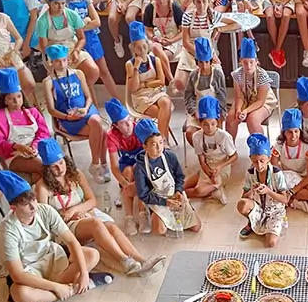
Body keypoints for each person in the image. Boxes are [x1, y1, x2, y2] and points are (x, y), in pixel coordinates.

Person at [36, 138, 165, 278]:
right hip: (64, 227)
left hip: (84, 215)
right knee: (96, 223)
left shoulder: (76, 174)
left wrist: (75, 210)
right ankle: (125, 260)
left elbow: (92, 201)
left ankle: (141, 260)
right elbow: (44, 220)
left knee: (111, 227)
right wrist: (67, 215)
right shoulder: (42, 187)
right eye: (54, 167)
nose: (60, 169)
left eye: (61, 163)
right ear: (47, 169)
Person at [0, 170, 113, 302]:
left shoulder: (44, 210)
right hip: (30, 270)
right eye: (25, 204)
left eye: (33, 200)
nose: (33, 207)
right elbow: (18, 275)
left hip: (52, 256)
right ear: (13, 208)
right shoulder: (7, 230)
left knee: (92, 255)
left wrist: (83, 273)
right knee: (20, 293)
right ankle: (77, 286)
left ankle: (42, 300)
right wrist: (57, 288)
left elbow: (71, 241)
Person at [43, 44, 109, 185]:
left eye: (64, 60)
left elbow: (88, 97)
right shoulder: (48, 82)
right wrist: (67, 117)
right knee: (101, 130)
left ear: (68, 60)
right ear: (52, 63)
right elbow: (51, 110)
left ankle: (96, 164)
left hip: (85, 111)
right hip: (67, 118)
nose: (61, 64)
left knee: (97, 122)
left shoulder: (78, 74)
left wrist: (85, 109)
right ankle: (100, 165)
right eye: (57, 61)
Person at [134, 119, 201, 236]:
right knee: (160, 231)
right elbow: (143, 194)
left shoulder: (169, 156)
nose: (159, 148)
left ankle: (175, 216)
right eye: (154, 145)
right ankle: (151, 214)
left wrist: (179, 191)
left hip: (174, 194)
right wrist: (165, 202)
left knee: (196, 227)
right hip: (157, 200)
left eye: (161, 142)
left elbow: (179, 176)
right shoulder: (140, 167)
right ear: (144, 146)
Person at [61, 0, 118, 99]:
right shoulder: (62, 2)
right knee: (86, 74)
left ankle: (118, 102)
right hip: (75, 42)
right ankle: (92, 107)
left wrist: (81, 26)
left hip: (92, 38)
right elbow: (68, 27)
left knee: (104, 71)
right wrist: (83, 24)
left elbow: (97, 21)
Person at [0, 68, 50, 182]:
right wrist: (17, 146)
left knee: (58, 166)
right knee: (46, 168)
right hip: (14, 155)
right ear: (4, 100)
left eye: (18, 96)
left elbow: (44, 132)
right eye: (11, 99)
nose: (17, 102)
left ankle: (42, 189)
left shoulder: (32, 112)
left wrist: (35, 146)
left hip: (37, 150)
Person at [37, 0, 100, 90]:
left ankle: (79, 92)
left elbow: (81, 38)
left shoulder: (72, 15)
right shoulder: (42, 21)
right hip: (53, 53)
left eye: (63, 3)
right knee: (61, 83)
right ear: (49, 3)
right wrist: (59, 57)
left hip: (72, 48)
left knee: (93, 71)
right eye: (56, 3)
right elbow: (44, 47)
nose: (60, 7)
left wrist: (76, 51)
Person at [173, 0, 234, 92]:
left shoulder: (213, 15)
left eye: (204, 1)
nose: (201, 5)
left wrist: (220, 28)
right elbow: (186, 43)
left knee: (213, 81)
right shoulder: (187, 16)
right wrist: (199, 55)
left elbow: (234, 23)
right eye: (198, 2)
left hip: (207, 52)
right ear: (194, 2)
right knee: (179, 83)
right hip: (191, 51)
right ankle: (191, 101)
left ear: (209, 0)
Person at [105, 98, 149, 237]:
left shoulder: (139, 128)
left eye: (129, 119)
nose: (129, 124)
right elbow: (114, 165)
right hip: (126, 166)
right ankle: (129, 218)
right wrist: (126, 184)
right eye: (123, 123)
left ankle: (142, 213)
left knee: (137, 169)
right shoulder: (111, 136)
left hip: (142, 164)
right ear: (116, 126)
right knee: (129, 171)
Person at [184, 95, 237, 205]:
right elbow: (201, 160)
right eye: (205, 124)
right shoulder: (196, 136)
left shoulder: (224, 136)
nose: (210, 128)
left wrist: (219, 167)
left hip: (221, 169)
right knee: (180, 187)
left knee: (198, 191)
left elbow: (234, 156)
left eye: (213, 124)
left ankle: (214, 190)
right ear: (199, 123)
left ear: (217, 121)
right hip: (207, 168)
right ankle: (213, 191)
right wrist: (207, 171)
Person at [237, 133, 288, 247]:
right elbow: (244, 197)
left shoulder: (276, 173)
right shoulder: (250, 173)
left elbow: (285, 199)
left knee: (270, 243)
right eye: (255, 161)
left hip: (275, 211)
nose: (259, 165)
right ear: (250, 159)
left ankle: (270, 225)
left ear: (269, 158)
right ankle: (251, 222)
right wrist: (251, 190)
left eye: (262, 160)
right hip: (259, 207)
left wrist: (268, 191)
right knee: (242, 204)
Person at [125, 21, 172, 140]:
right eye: (139, 48)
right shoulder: (130, 65)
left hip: (156, 92)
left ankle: (161, 139)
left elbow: (161, 81)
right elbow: (134, 88)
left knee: (166, 103)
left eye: (144, 46)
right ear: (133, 48)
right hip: (140, 97)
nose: (142, 50)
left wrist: (144, 84)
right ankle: (162, 139)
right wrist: (136, 68)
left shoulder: (155, 60)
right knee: (161, 113)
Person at [271, 108, 308, 212]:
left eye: (296, 131)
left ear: (300, 131)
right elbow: (274, 172)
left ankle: (286, 199)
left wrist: (292, 191)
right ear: (284, 133)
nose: (293, 136)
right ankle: (292, 201)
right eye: (289, 132)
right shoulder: (278, 147)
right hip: (285, 178)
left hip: (302, 179)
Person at [226, 37, 278, 141]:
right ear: (240, 61)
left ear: (256, 62)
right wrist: (238, 110)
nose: (248, 66)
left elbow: (260, 101)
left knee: (252, 119)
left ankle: (261, 150)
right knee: (231, 118)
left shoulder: (262, 75)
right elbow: (239, 96)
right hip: (245, 99)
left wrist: (246, 111)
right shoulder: (237, 75)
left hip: (263, 101)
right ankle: (230, 150)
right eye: (245, 62)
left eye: (251, 62)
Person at [0, 5, 37, 104]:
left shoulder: (2, 18)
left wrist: (13, 52)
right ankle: (13, 112)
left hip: (11, 56)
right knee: (8, 95)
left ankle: (29, 110)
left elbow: (19, 39)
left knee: (29, 84)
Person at [183, 37, 227, 146]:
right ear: (197, 62)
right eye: (201, 62)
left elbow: (222, 97)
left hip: (214, 111)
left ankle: (215, 153)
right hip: (197, 111)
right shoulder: (193, 75)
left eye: (207, 62)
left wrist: (218, 116)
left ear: (211, 61)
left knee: (217, 135)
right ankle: (203, 153)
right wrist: (194, 112)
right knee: (190, 133)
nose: (204, 66)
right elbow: (188, 96)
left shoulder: (217, 74)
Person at [143, 0, 183, 85]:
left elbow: (183, 32)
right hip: (158, 39)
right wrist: (153, 37)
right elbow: (148, 29)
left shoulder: (175, 8)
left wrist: (171, 41)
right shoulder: (150, 9)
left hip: (175, 40)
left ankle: (165, 83)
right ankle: (171, 81)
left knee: (157, 59)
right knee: (155, 47)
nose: (161, 0)